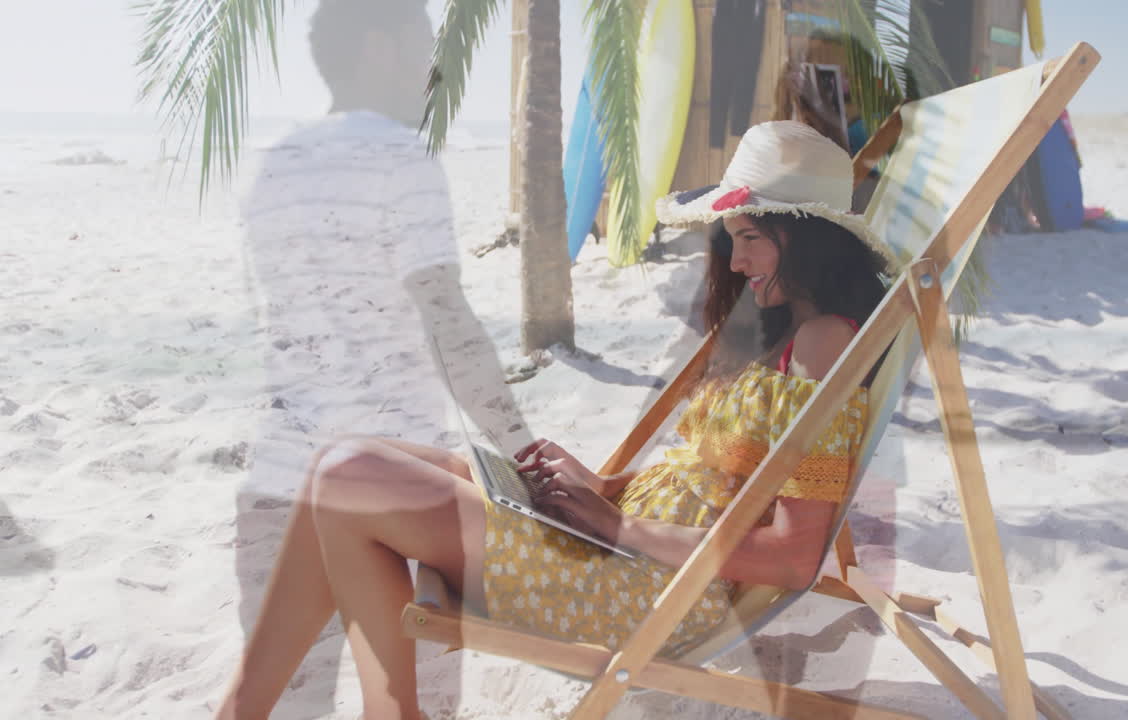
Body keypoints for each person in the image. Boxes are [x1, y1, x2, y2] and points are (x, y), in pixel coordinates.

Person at [216, 120, 899, 719]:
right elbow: (721, 479)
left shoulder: (822, 346)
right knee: (335, 471)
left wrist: (616, 524)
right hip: (625, 555)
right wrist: (605, 488)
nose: (736, 259)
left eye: (750, 238)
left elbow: (793, 554)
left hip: (640, 593)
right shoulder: (790, 333)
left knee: (347, 476)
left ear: (805, 238)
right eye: (731, 239)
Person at [229, 0, 529, 717]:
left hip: (280, 475)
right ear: (378, 46)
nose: (434, 65)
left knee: (273, 702)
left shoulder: (273, 165)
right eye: (423, 41)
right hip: (391, 494)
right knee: (405, 700)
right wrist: (521, 450)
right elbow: (445, 318)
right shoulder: (399, 156)